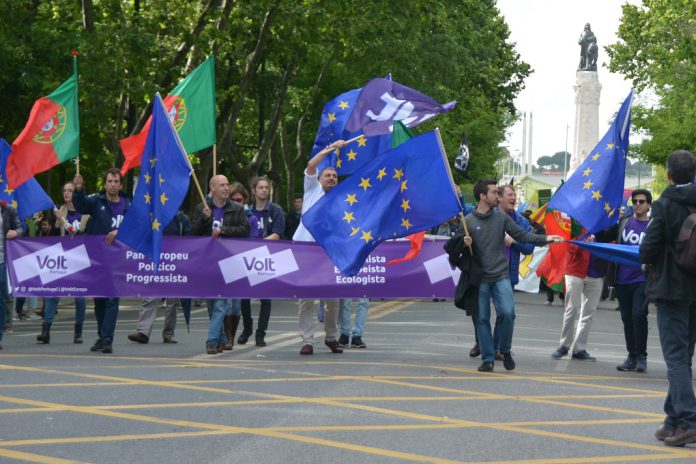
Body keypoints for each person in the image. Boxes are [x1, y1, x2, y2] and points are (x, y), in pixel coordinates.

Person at [464, 180, 563, 372]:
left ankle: (505, 349)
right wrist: (464, 242)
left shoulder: (501, 218)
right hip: (480, 278)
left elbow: (524, 236)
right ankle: (488, 359)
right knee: (482, 319)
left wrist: (547, 239)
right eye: (494, 192)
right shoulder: (468, 221)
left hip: (501, 275)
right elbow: (453, 249)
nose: (497, 195)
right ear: (483, 196)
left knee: (508, 314)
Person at [639, 150, 696, 447]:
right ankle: (672, 420)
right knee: (684, 356)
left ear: (670, 175)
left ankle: (688, 419)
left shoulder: (665, 204)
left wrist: (648, 259)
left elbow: (648, 249)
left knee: (675, 357)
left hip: (672, 287)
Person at [293, 139, 348, 355]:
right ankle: (307, 340)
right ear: (319, 178)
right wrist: (332, 148)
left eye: (334, 176)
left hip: (328, 252)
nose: (332, 178)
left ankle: (331, 337)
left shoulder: (341, 199)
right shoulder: (312, 189)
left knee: (333, 299)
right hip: (306, 249)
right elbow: (311, 165)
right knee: (306, 299)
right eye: (328, 175)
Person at [73, 169, 130, 354]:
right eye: (110, 181)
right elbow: (80, 206)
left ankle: (107, 339)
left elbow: (137, 226)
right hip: (97, 258)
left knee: (112, 299)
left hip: (118, 261)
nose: (113, 184)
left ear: (120, 185)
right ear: (105, 184)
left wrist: (119, 232)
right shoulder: (96, 201)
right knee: (99, 300)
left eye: (116, 181)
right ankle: (101, 335)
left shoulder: (128, 204)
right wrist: (79, 189)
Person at [193, 175, 250, 355]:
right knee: (212, 303)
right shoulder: (202, 208)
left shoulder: (237, 208)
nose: (226, 188)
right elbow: (192, 234)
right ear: (213, 188)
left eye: (227, 185)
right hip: (207, 262)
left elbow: (245, 230)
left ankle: (211, 340)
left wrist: (223, 231)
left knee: (221, 303)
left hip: (228, 261)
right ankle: (222, 338)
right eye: (222, 185)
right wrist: (204, 220)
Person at [127, 210, 192, 345]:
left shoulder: (181, 218)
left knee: (172, 300)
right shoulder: (151, 217)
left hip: (173, 262)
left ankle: (168, 333)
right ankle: (143, 331)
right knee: (150, 295)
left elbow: (188, 240)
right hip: (154, 259)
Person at [607, 189, 652, 372]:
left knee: (639, 315)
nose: (638, 204)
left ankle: (641, 356)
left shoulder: (653, 226)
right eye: (635, 201)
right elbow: (605, 236)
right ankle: (631, 356)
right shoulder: (623, 222)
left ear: (649, 205)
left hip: (642, 279)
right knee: (627, 319)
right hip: (622, 279)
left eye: (642, 201)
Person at [238, 176, 284, 347]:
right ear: (254, 190)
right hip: (248, 258)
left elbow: (278, 233)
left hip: (267, 258)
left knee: (266, 298)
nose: (264, 190)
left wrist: (260, 243)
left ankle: (260, 333)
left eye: (267, 187)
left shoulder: (275, 210)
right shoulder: (246, 211)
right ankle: (247, 327)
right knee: (243, 296)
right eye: (261, 187)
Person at [550, 232, 611, 362]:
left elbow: (611, 250)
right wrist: (583, 242)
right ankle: (564, 345)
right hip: (575, 271)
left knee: (588, 313)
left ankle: (579, 348)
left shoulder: (608, 227)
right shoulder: (577, 224)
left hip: (597, 274)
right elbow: (569, 246)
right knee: (572, 309)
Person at [0, 201, 23, 350]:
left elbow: (21, 227)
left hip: (2, 262)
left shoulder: (8, 210)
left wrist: (15, 232)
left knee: (1, 301)